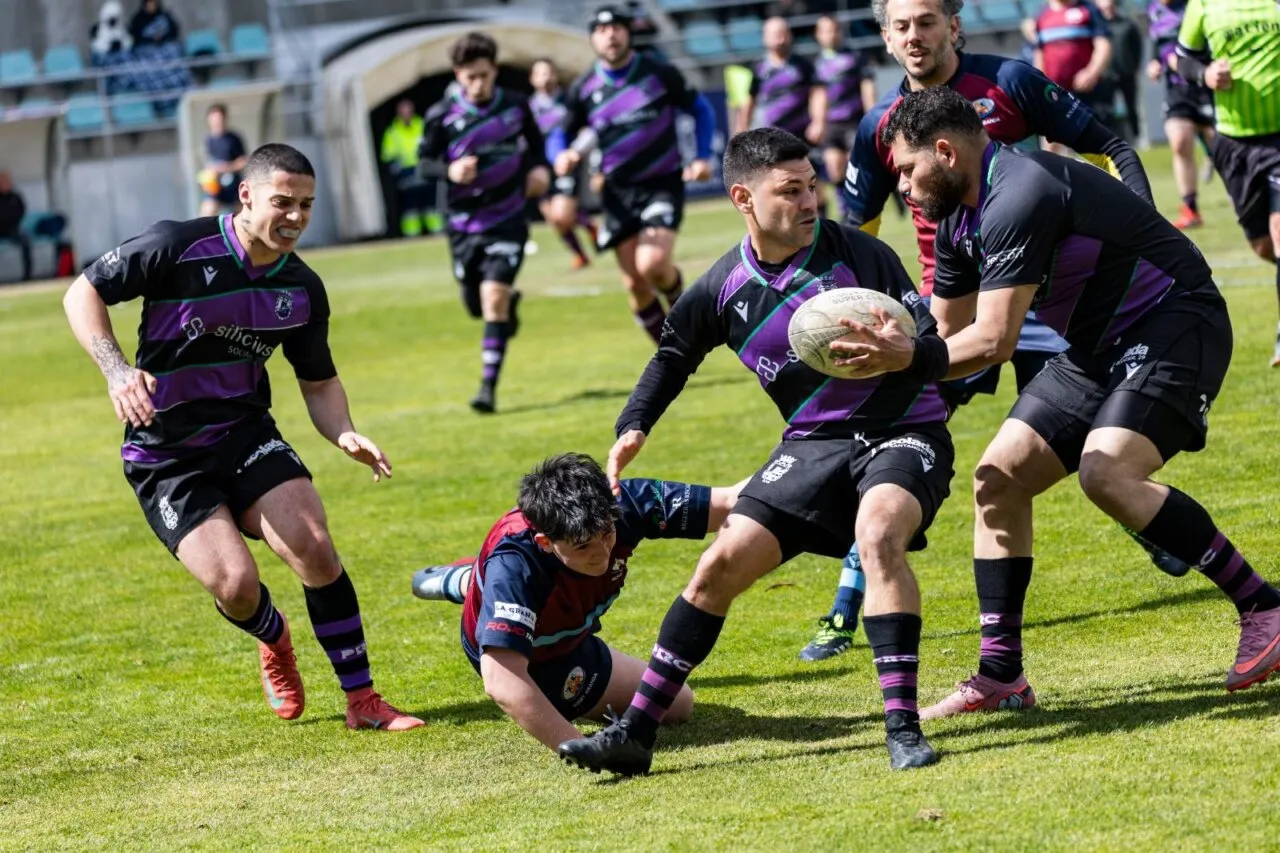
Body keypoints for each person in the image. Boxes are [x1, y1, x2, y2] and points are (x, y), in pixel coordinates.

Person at [853, 85, 1280, 717]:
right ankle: (1001, 675)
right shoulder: (956, 219)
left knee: (1107, 471)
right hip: (1096, 348)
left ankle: (1263, 605)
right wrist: (879, 359)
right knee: (998, 477)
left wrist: (909, 359)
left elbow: (994, 341)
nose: (906, 190)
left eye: (910, 171)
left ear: (944, 152)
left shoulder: (1020, 191)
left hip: (1175, 320)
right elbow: (942, 333)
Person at [557, 127, 956, 776]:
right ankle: (635, 731)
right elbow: (674, 352)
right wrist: (635, 422)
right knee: (718, 565)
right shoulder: (724, 284)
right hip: (812, 444)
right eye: (790, 191)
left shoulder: (860, 256)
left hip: (902, 429)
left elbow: (936, 348)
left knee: (878, 531)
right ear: (744, 197)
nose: (808, 203)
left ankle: (902, 726)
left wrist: (904, 352)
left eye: (812, 187)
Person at [805, 0, 1177, 665]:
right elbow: (856, 235)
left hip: (1044, 303)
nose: (914, 36)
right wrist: (851, 311)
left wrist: (1143, 226)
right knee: (883, 439)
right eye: (901, 26)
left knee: (1085, 443)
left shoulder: (1010, 81)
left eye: (926, 21)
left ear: (953, 24)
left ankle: (1152, 523)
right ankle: (844, 607)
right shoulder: (877, 127)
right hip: (949, 313)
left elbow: (1111, 144)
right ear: (886, 38)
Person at [60, 143, 423, 731]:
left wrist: (346, 432)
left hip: (243, 434)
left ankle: (363, 700)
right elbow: (83, 292)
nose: (296, 217)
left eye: (306, 205)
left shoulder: (302, 289)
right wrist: (117, 370)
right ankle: (273, 639)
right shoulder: (176, 245)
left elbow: (320, 383)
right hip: (165, 452)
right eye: (283, 202)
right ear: (246, 194)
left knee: (314, 544)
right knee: (235, 585)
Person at [412, 455, 748, 755]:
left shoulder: (621, 503)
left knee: (678, 704)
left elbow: (735, 500)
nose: (601, 555)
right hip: (539, 657)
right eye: (583, 546)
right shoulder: (516, 563)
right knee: (507, 593)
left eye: (606, 535)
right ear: (546, 543)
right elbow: (501, 679)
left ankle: (470, 577)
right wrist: (584, 747)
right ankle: (471, 581)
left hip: (568, 632)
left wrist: (796, 459)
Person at [553, 5, 716, 345]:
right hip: (617, 191)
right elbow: (560, 133)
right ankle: (672, 355)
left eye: (617, 28)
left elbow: (700, 109)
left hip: (661, 182)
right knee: (635, 286)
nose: (610, 35)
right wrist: (561, 155)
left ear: (629, 33)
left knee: (653, 264)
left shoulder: (657, 72)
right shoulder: (584, 86)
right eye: (601, 30)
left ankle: (685, 314)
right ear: (593, 38)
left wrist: (701, 156)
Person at [419, 32, 551, 415]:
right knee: (477, 306)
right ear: (458, 75)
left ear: (494, 70)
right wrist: (450, 170)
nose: (478, 84)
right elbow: (423, 165)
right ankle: (508, 307)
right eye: (469, 77)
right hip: (463, 225)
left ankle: (487, 389)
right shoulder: (440, 116)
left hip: (509, 217)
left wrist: (540, 171)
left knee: (492, 300)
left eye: (484, 75)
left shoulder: (515, 106)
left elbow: (537, 147)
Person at [1174, 0, 1280, 366]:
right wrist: (1204, 75)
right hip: (1235, 144)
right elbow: (1182, 58)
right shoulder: (1204, 4)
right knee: (1263, 245)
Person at [737, 18, 829, 213]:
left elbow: (818, 93)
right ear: (765, 38)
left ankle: (822, 227)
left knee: (813, 182)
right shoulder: (758, 69)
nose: (780, 39)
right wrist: (741, 131)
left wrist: (819, 122)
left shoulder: (802, 65)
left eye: (783, 33)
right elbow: (748, 102)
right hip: (772, 140)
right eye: (775, 34)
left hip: (802, 136)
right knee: (778, 185)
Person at [1146, 0, 1215, 230]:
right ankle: (1190, 208)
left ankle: (1245, 198)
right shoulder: (1153, 10)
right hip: (1177, 90)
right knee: (1179, 141)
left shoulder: (1197, 5)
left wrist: (1191, 66)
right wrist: (1155, 64)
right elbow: (1158, 47)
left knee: (1222, 145)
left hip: (1206, 83)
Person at [529, 58, 598, 272]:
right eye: (540, 74)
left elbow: (588, 128)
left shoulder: (569, 100)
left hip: (565, 165)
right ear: (532, 79)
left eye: (549, 72)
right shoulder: (529, 108)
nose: (546, 78)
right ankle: (582, 250)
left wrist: (575, 153)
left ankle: (589, 227)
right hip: (542, 168)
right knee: (554, 219)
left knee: (561, 215)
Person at [814, 15, 877, 221]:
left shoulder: (855, 56)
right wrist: (818, 122)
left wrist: (871, 116)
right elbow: (818, 95)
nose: (830, 35)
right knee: (834, 168)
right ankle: (844, 208)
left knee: (854, 166)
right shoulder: (817, 64)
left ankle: (854, 209)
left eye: (833, 30)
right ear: (818, 35)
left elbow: (867, 86)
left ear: (839, 32)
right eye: (825, 31)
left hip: (853, 120)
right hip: (832, 124)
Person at [1033, 0, 1113, 154]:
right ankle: (1053, 177)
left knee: (1096, 144)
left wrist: (1092, 72)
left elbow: (1104, 46)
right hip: (1053, 92)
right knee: (1051, 143)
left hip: (1088, 90)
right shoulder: (1042, 15)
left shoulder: (1088, 10)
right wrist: (1039, 82)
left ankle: (1106, 177)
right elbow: (1039, 53)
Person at [380, 98, 437, 238]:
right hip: (407, 173)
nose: (406, 113)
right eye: (402, 110)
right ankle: (412, 235)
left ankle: (436, 232)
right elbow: (387, 154)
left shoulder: (422, 125)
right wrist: (396, 167)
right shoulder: (393, 131)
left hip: (425, 169)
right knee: (411, 207)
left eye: (408, 109)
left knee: (431, 205)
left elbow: (433, 145)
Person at [1095, 0, 1143, 142]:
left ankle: (1137, 138)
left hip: (1126, 74)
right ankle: (1109, 140)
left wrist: (1134, 68)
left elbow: (1137, 48)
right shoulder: (1098, 27)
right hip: (1106, 76)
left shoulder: (1127, 24)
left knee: (1131, 108)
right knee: (1106, 111)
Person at [200, 104, 248, 217]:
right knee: (206, 213)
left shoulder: (234, 138)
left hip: (233, 186)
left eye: (220, 118)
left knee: (242, 217)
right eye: (214, 119)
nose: (217, 122)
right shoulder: (208, 140)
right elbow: (208, 163)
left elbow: (244, 161)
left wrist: (228, 167)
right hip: (215, 185)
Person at [0, 171, 31, 282]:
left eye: (7, 181)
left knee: (25, 240)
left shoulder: (15, 197)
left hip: (12, 230)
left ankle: (27, 276)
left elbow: (21, 212)